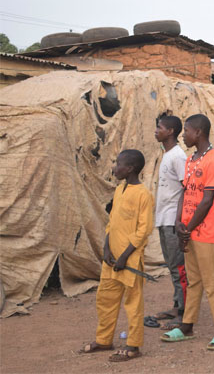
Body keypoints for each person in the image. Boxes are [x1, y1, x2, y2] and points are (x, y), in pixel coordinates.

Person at [160, 114, 214, 351]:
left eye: (186, 131)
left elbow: (207, 200)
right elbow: (185, 192)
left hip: (205, 232)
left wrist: (187, 229)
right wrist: (180, 222)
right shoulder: (191, 160)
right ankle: (187, 326)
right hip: (188, 231)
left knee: (211, 282)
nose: (183, 135)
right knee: (193, 281)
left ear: (198, 132)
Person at [81, 149, 154, 362]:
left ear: (129, 168)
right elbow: (111, 223)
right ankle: (104, 340)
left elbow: (144, 229)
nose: (114, 167)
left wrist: (124, 256)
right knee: (105, 299)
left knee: (133, 303)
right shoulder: (120, 189)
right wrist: (106, 249)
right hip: (112, 259)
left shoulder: (143, 195)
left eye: (118, 163)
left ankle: (133, 346)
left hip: (129, 260)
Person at [152, 115, 188, 329]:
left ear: (171, 131)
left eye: (160, 127)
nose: (156, 131)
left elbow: (187, 188)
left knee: (179, 267)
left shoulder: (178, 156)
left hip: (174, 220)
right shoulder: (167, 155)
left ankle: (184, 313)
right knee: (173, 266)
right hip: (164, 218)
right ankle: (177, 305)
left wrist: (179, 218)